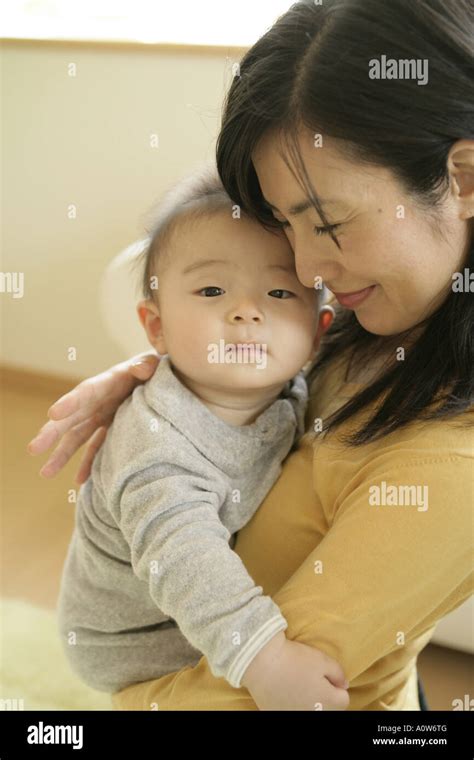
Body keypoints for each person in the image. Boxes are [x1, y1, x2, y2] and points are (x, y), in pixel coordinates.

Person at [28, 0, 473, 711]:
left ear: (464, 178)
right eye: (286, 221)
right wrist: (169, 379)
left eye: (327, 222)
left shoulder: (449, 470)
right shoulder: (389, 316)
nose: (306, 267)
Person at [55, 162, 350, 711]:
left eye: (281, 293)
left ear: (318, 332)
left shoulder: (293, 378)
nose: (245, 312)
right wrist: (268, 662)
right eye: (212, 289)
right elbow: (186, 562)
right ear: (156, 327)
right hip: (139, 639)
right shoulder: (156, 450)